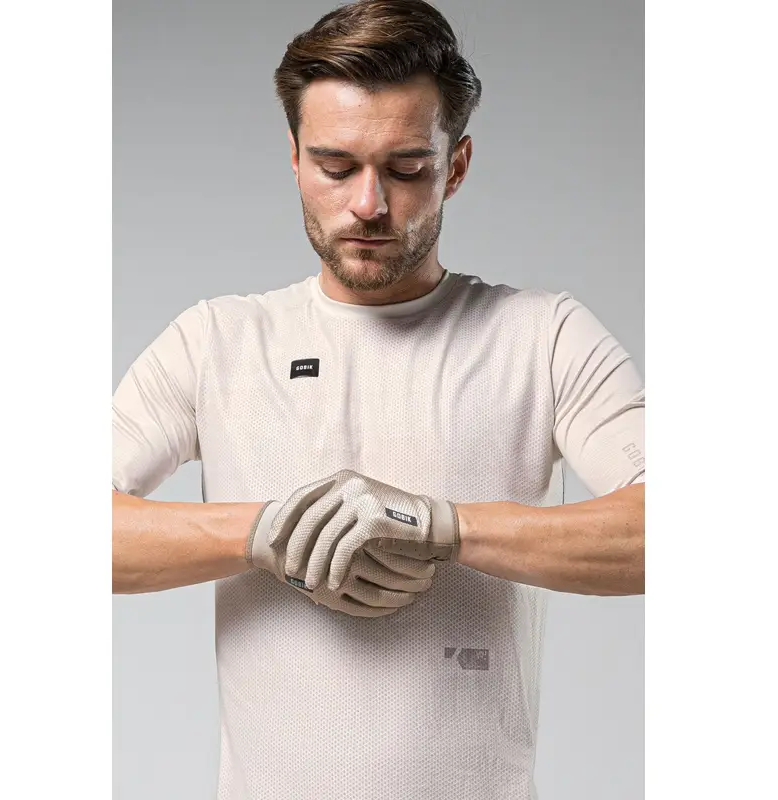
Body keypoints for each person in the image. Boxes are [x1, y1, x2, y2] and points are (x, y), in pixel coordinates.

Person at [112, 1, 645, 797]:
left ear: (455, 166)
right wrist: (267, 532)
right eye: (336, 167)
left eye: (406, 168)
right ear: (294, 158)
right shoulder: (217, 340)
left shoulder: (542, 335)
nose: (368, 203)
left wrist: (443, 526)